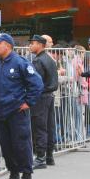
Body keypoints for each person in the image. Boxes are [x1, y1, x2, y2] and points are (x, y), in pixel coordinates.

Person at [0, 33, 43, 179]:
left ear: (7, 45)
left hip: (17, 111)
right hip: (1, 111)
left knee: (21, 144)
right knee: (6, 145)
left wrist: (28, 102)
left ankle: (27, 176)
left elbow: (37, 84)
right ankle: (13, 174)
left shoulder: (20, 62)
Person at [28, 35, 58, 168]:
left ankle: (40, 157)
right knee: (49, 126)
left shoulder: (38, 61)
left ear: (40, 45)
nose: (30, 46)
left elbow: (36, 82)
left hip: (41, 97)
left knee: (40, 127)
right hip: (49, 95)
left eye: (32, 43)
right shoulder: (49, 59)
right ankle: (49, 156)